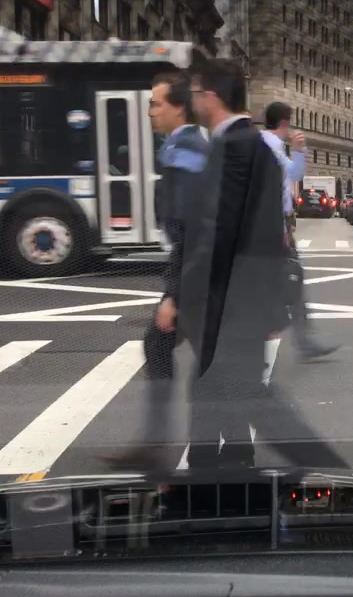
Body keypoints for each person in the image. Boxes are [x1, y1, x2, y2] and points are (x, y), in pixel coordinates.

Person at [177, 58, 345, 469]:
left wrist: (185, 294)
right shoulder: (246, 146)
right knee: (216, 386)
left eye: (196, 92)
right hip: (239, 301)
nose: (193, 101)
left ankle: (326, 469)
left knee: (246, 394)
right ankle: (224, 461)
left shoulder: (236, 147)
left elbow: (225, 232)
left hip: (234, 303)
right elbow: (263, 230)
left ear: (211, 96)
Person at [102, 69, 208, 472]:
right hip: (200, 276)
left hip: (199, 280)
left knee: (175, 351)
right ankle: (162, 445)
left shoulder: (186, 157)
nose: (149, 111)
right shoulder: (183, 150)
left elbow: (190, 231)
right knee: (168, 349)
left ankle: (176, 449)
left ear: (178, 109)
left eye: (156, 103)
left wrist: (173, 296)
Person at [262, 102, 336, 360]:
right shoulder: (268, 147)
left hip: (279, 222)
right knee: (288, 278)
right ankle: (298, 341)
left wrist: (299, 151)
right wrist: (280, 225)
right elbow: (272, 189)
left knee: (292, 277)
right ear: (284, 123)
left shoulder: (274, 147)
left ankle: (304, 341)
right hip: (274, 224)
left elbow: (293, 173)